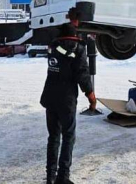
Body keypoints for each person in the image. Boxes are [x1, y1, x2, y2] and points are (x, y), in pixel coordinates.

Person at [40, 9, 96, 184]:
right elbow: (82, 74)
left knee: (53, 137)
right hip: (66, 99)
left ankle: (50, 177)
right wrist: (91, 94)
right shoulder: (77, 49)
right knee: (68, 136)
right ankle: (63, 177)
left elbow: (60, 33)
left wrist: (71, 23)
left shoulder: (53, 47)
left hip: (50, 97)